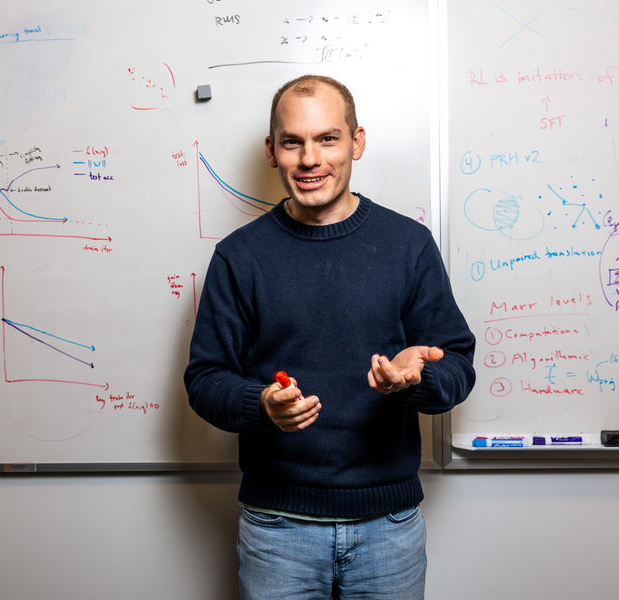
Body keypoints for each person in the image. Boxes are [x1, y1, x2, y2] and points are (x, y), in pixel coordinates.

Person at [184, 75, 476, 600]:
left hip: (389, 528)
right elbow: (205, 380)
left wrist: (416, 378)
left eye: (328, 139)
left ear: (357, 142)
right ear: (272, 151)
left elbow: (457, 365)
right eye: (293, 142)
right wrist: (261, 405)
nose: (309, 159)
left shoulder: (408, 245)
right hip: (277, 533)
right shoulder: (239, 257)